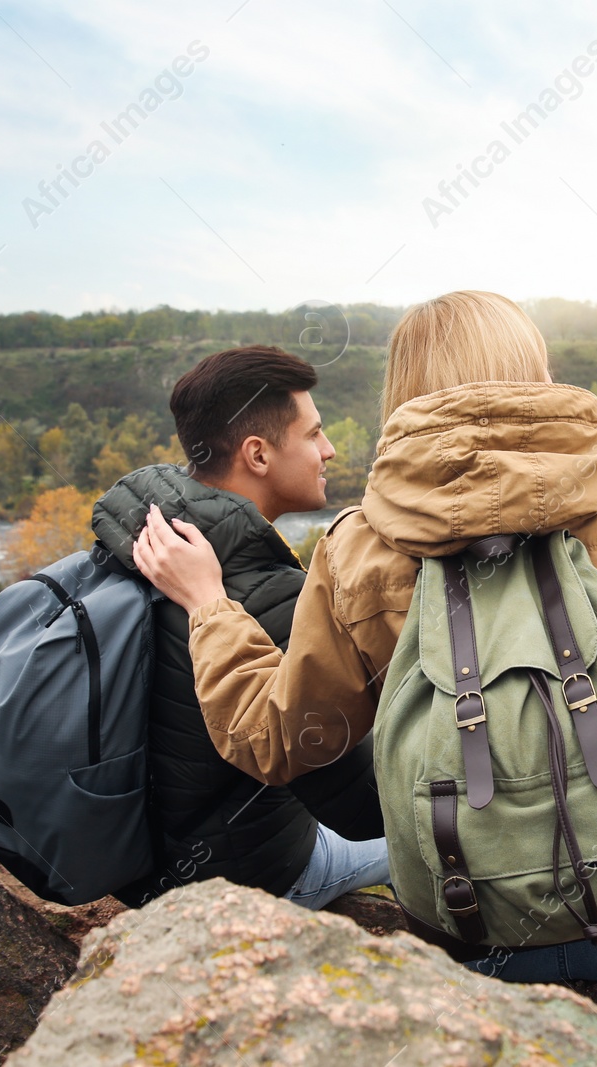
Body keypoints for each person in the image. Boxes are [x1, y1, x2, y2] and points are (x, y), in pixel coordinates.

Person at [131, 291, 597, 979]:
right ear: (533, 373)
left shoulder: (359, 549)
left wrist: (209, 605)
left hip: (476, 933)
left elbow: (279, 740)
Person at [94, 344, 390, 911]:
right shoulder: (265, 593)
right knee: (456, 844)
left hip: (144, 866)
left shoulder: (148, 534)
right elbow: (368, 806)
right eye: (314, 434)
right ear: (258, 454)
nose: (328, 451)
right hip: (256, 874)